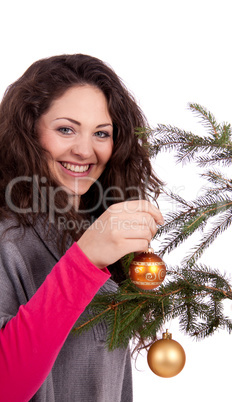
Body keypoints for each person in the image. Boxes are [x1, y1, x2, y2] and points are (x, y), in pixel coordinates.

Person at [0, 54, 164, 402]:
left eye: (101, 133)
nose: (84, 150)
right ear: (28, 131)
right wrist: (85, 260)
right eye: (65, 129)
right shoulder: (7, 237)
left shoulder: (102, 234)